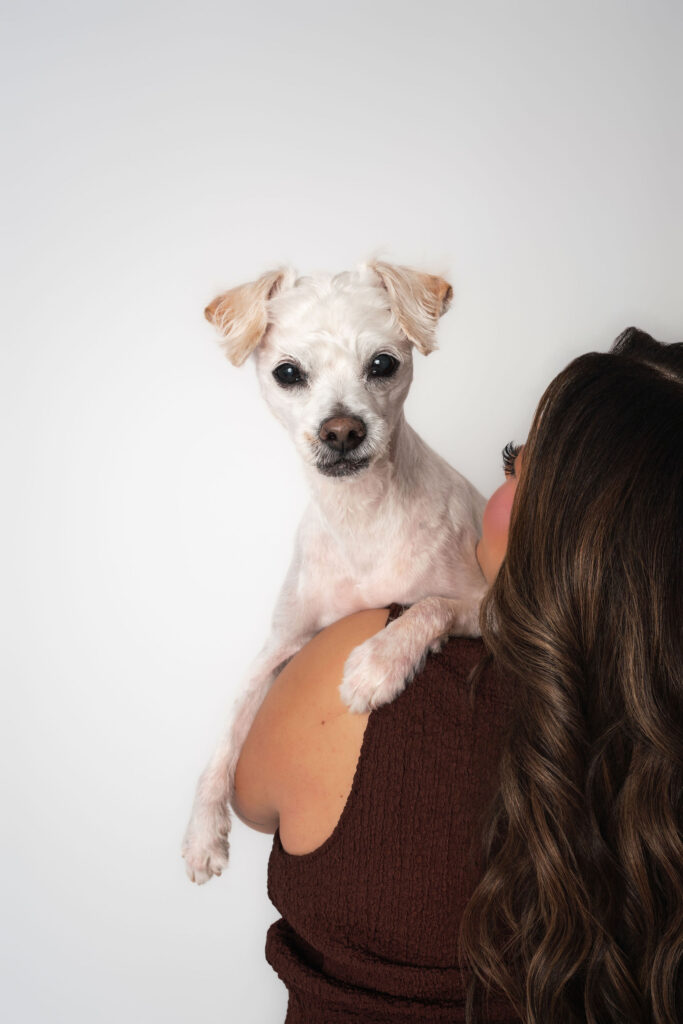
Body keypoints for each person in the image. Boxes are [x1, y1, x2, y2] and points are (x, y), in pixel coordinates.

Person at [232, 328, 683, 1024]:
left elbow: (251, 799)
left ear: (578, 530)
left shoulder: (362, 672)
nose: (494, 489)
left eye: (517, 466)